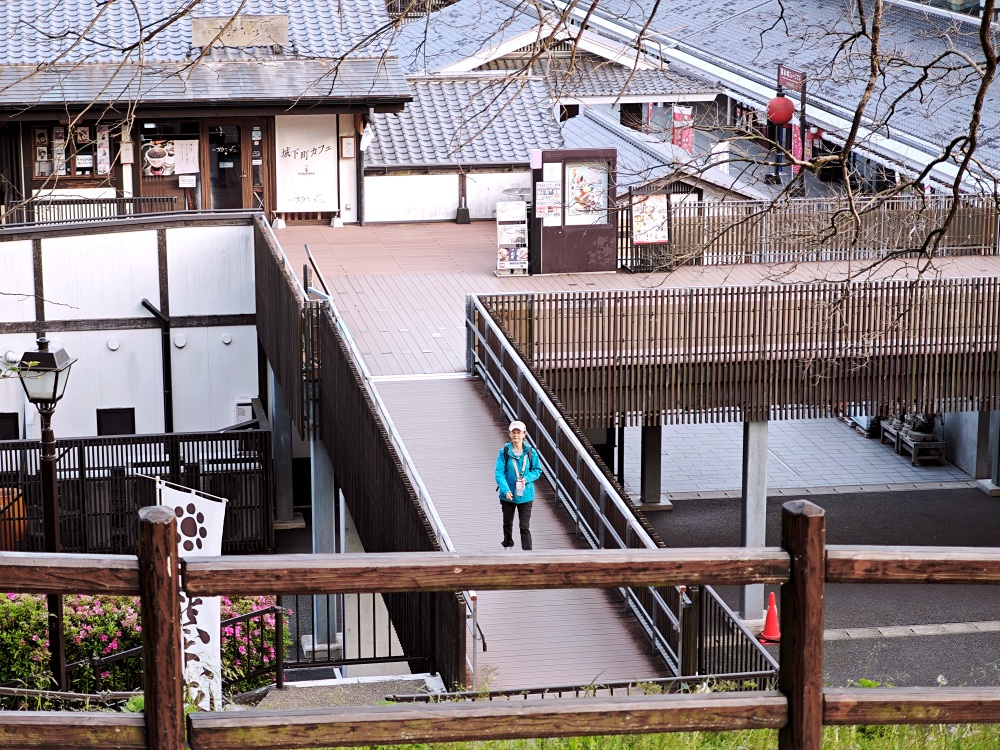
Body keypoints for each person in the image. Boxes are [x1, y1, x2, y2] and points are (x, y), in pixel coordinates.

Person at [494, 420, 542, 550]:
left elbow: (537, 470)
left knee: (524, 526)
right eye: (513, 432)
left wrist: (526, 479)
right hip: (508, 495)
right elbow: (499, 473)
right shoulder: (504, 452)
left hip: (526, 495)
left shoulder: (531, 452)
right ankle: (507, 545)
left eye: (518, 432)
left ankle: (528, 553)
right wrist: (505, 490)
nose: (516, 435)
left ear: (524, 434)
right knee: (507, 523)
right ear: (510, 434)